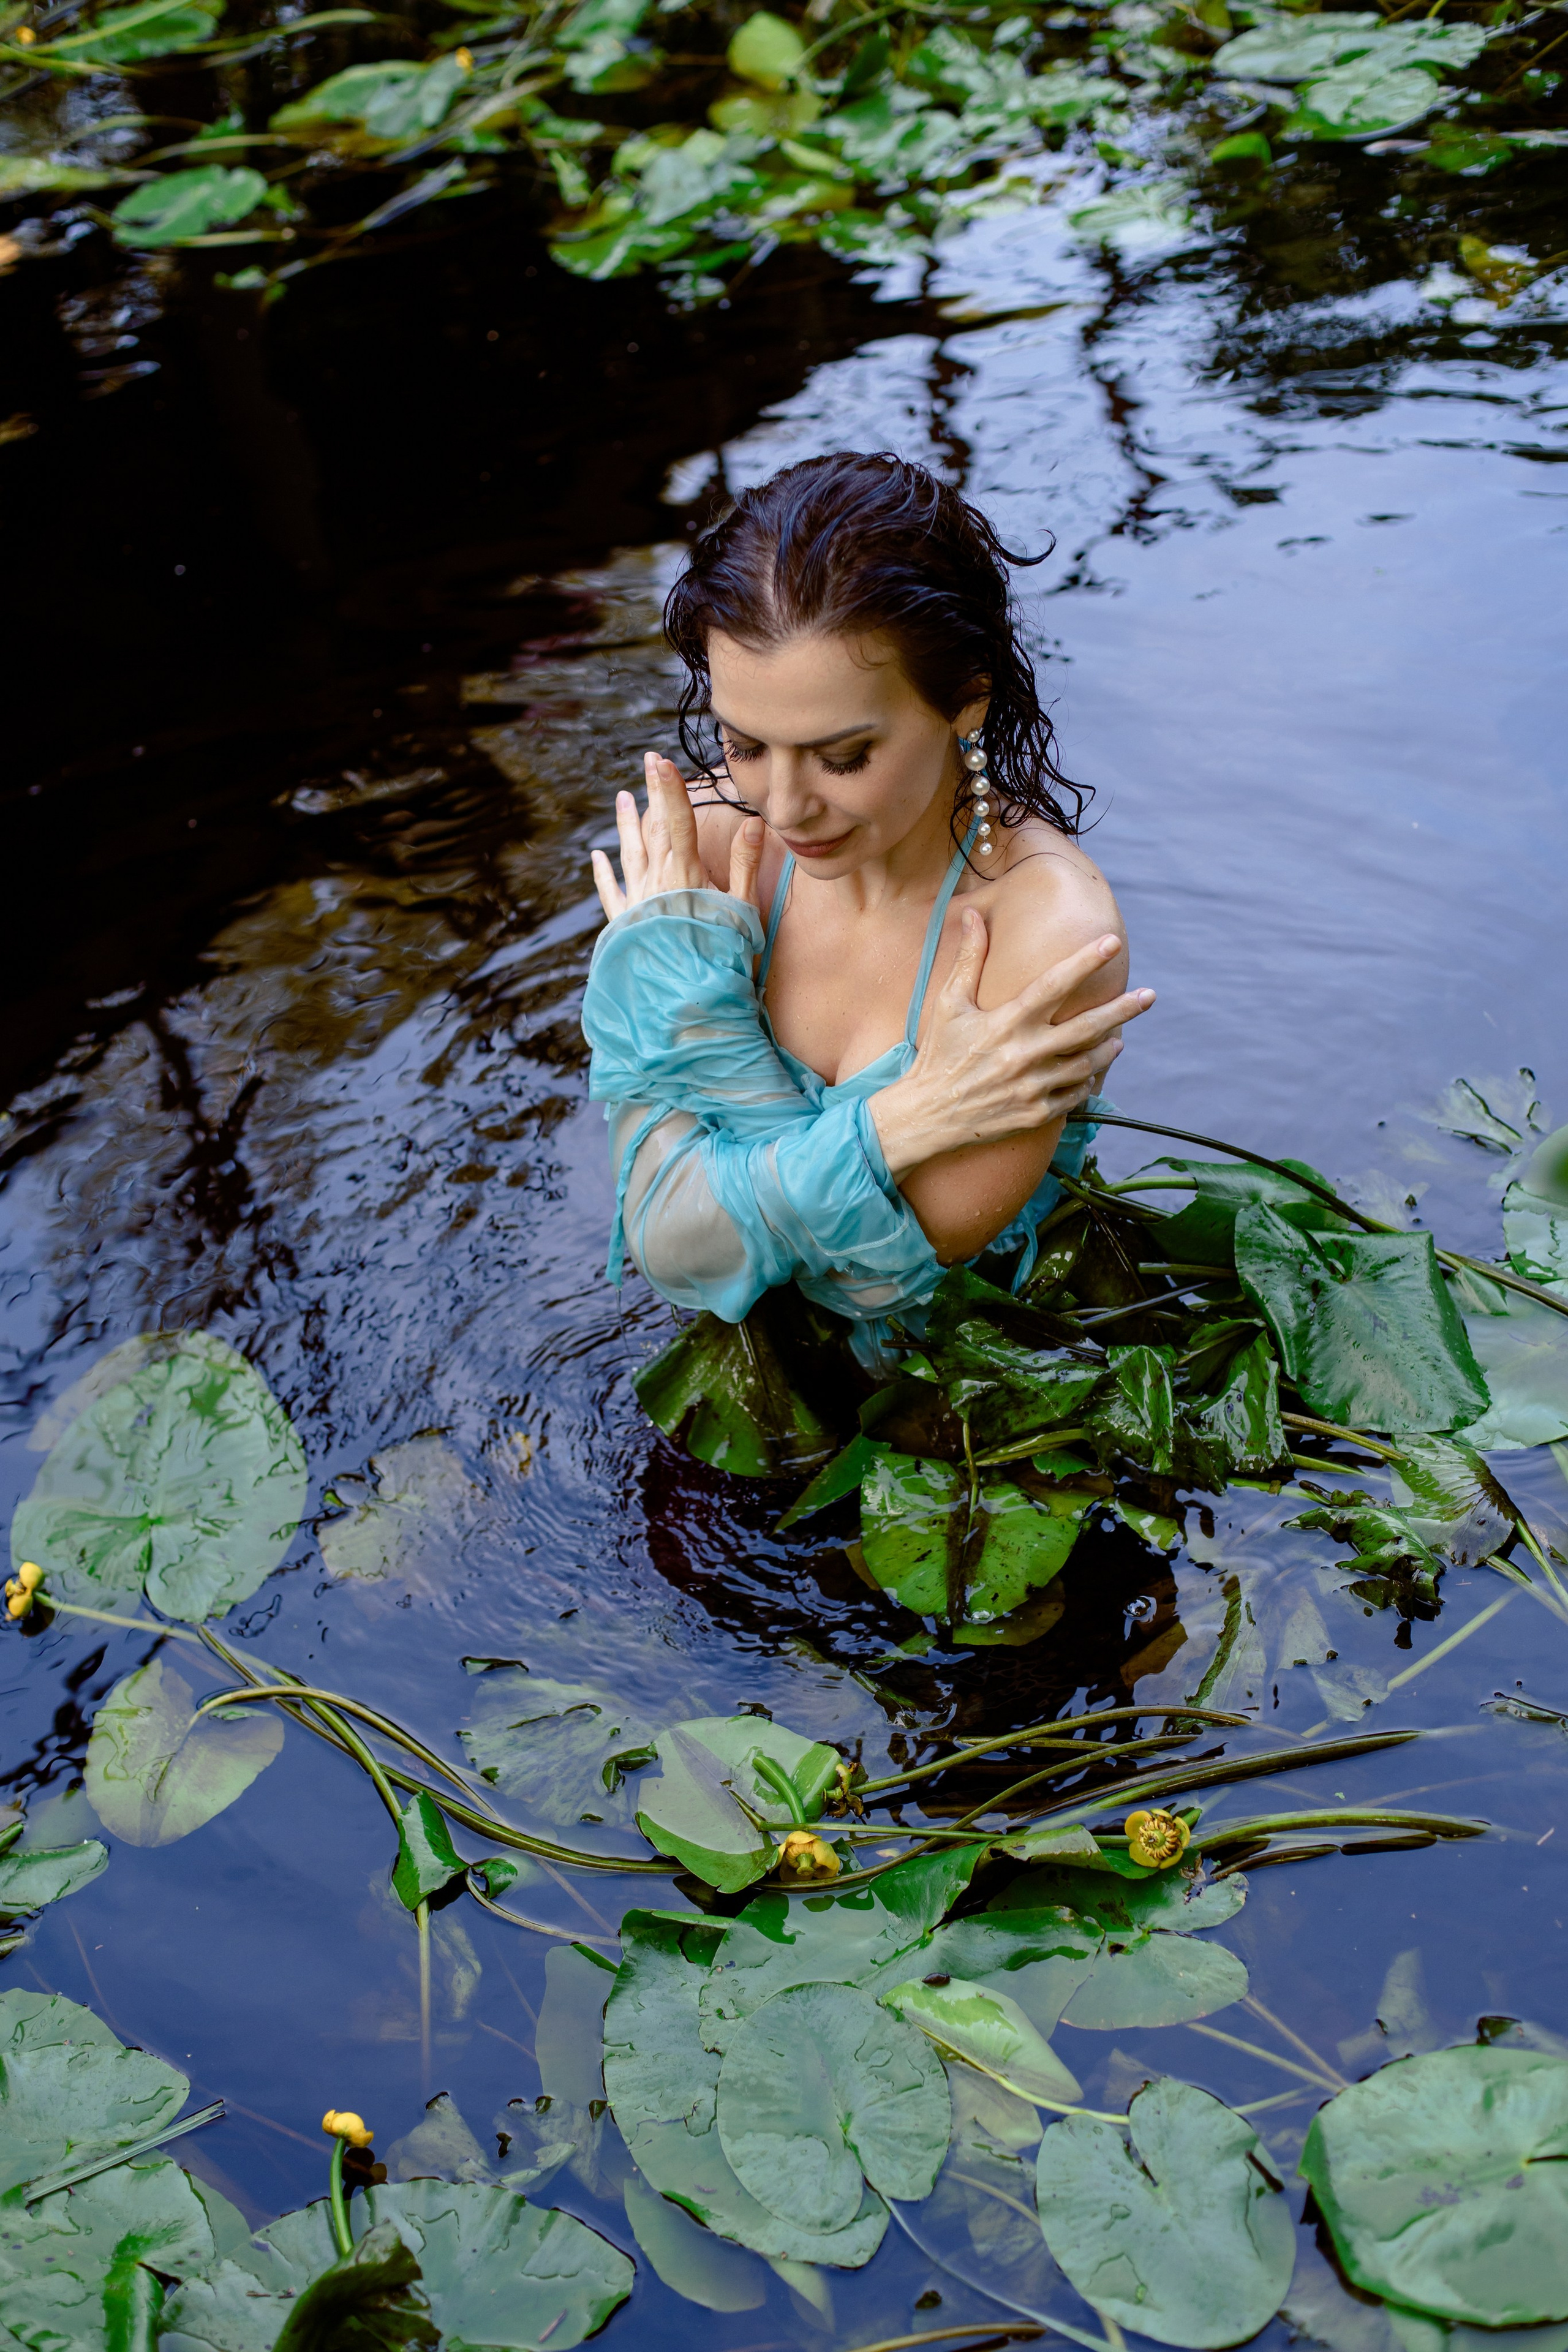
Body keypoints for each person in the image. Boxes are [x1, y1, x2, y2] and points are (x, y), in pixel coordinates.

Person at [581, 451, 1153, 1393]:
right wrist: (901, 1125)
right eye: (745, 744)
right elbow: (667, 1247)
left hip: (970, 1405)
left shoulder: (1045, 935)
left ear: (966, 703)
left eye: (842, 756)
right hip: (738, 1392)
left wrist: (695, 1019)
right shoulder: (710, 845)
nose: (787, 808)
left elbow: (864, 1288)